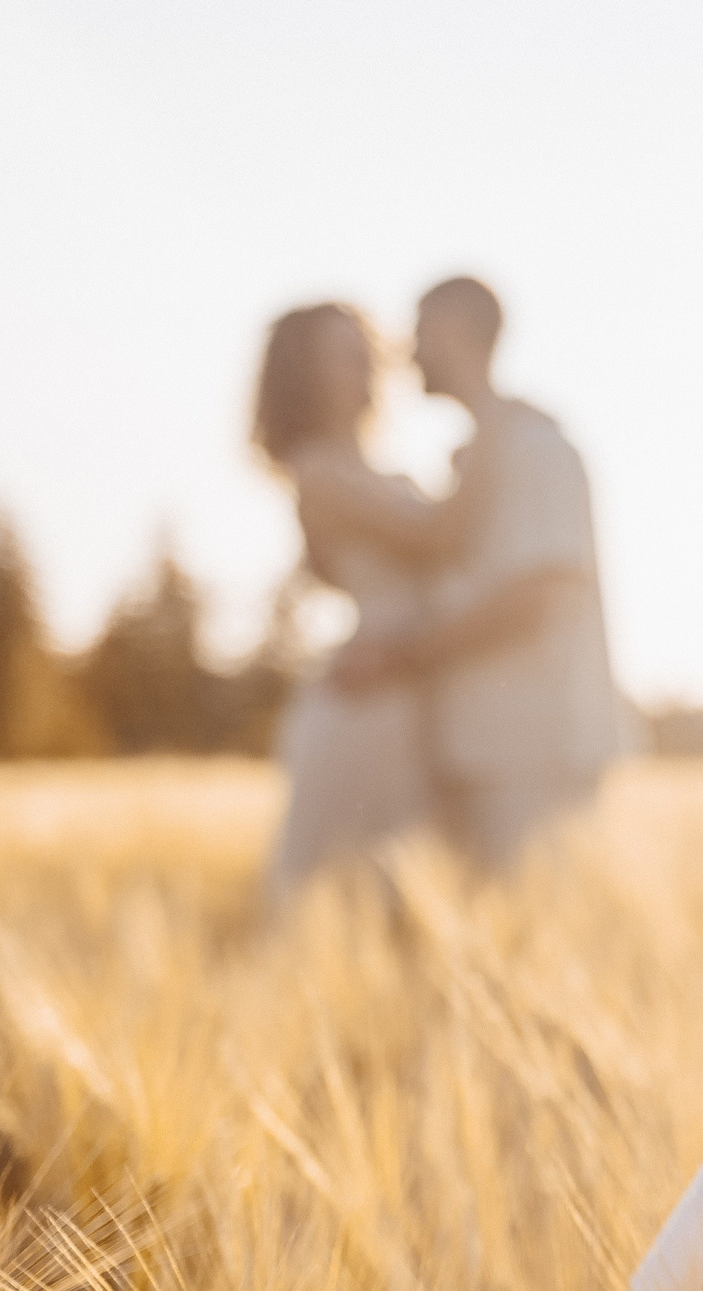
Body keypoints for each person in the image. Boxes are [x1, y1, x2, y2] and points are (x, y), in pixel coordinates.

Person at [328, 276, 625, 872]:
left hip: (532, 750)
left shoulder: (538, 449)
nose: (407, 355)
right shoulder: (479, 457)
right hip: (480, 750)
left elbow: (533, 601)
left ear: (456, 332)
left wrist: (393, 659)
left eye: (420, 334)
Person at [251, 302, 484, 897]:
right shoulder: (316, 470)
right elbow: (436, 539)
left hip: (407, 679)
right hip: (370, 703)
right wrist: (494, 435)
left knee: (404, 889)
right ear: (306, 377)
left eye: (365, 351)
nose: (365, 366)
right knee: (351, 892)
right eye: (343, 355)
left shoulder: (366, 469)